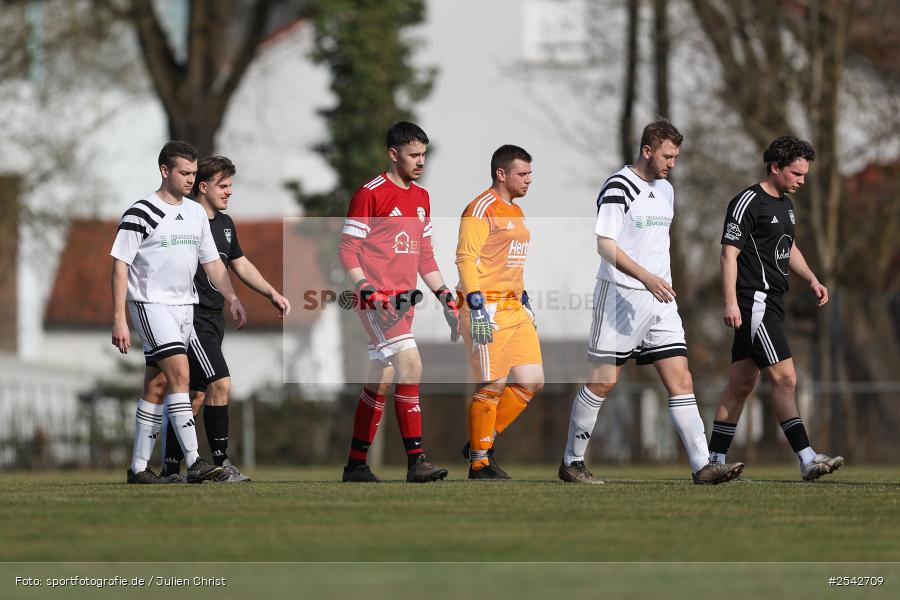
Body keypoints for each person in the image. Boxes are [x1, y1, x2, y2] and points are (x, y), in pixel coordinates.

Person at [559, 120, 744, 485]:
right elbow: (605, 245)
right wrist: (646, 277)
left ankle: (702, 466)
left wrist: (658, 284)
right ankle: (572, 462)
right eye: (667, 155)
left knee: (681, 379)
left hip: (661, 302)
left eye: (676, 156)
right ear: (647, 151)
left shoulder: (667, 190)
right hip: (620, 299)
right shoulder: (618, 186)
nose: (672, 163)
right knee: (603, 382)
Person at [110, 141, 247, 484]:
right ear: (164, 171)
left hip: (186, 306)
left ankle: (139, 469)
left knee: (156, 386)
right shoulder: (141, 211)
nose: (190, 179)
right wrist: (119, 318)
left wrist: (231, 296)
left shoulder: (196, 212)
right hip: (151, 305)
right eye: (184, 173)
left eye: (192, 173)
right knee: (181, 375)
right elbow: (120, 265)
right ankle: (195, 460)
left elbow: (213, 262)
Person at [709, 136, 844, 481]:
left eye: (804, 174)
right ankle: (806, 457)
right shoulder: (746, 202)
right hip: (755, 304)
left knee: (740, 385)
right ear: (776, 167)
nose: (802, 180)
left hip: (773, 304)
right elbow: (729, 254)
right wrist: (729, 301)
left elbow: (789, 246)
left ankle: (712, 460)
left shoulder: (785, 205)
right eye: (797, 173)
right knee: (786, 377)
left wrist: (812, 278)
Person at [337, 121, 459, 483]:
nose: (421, 161)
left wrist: (446, 299)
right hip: (377, 303)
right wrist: (369, 292)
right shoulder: (370, 193)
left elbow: (425, 257)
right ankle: (416, 461)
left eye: (424, 154)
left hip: (403, 304)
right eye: (413, 155)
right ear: (394, 154)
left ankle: (356, 466)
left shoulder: (421, 198)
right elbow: (348, 250)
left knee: (382, 378)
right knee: (411, 365)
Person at [158, 156, 290, 483]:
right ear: (203, 187)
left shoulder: (226, 224)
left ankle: (172, 469)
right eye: (224, 186)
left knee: (195, 395)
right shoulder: (183, 219)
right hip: (190, 317)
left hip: (213, 319)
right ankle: (220, 465)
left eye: (231, 186)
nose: (230, 192)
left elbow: (240, 264)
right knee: (221, 383)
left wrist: (271, 292)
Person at [456, 145, 543, 480]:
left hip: (513, 306)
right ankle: (479, 463)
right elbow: (466, 259)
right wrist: (476, 307)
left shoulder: (516, 212)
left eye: (530, 174)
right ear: (501, 173)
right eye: (522, 173)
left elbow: (509, 263)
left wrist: (525, 300)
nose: (529, 180)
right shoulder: (479, 209)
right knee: (493, 384)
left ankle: (482, 438)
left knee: (532, 381)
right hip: (486, 307)